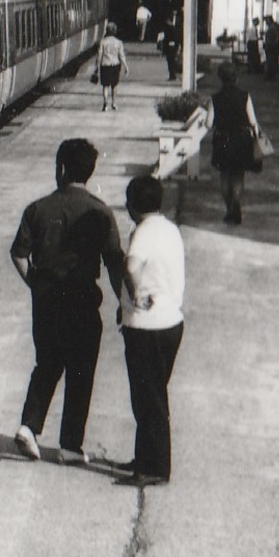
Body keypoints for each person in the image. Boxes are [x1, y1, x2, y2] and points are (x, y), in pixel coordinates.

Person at [9, 139, 125, 465]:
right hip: (84, 303)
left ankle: (29, 428)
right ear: (90, 172)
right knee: (81, 372)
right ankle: (70, 446)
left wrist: (34, 281)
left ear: (60, 169)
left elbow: (18, 255)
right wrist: (122, 302)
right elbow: (115, 263)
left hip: (47, 302)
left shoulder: (37, 209)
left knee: (46, 365)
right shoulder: (101, 212)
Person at [112, 174, 186, 488]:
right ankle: (145, 458)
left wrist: (133, 294)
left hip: (146, 327)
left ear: (131, 206)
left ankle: (154, 468)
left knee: (147, 399)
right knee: (153, 395)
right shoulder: (170, 230)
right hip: (171, 323)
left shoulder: (141, 232)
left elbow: (130, 267)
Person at [207, 61, 262, 225]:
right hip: (242, 139)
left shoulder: (214, 98)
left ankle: (229, 209)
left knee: (224, 175)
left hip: (223, 139)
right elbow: (253, 121)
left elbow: (209, 123)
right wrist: (257, 135)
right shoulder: (245, 96)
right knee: (238, 175)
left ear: (220, 78)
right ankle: (236, 203)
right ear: (236, 77)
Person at [96, 22, 127, 111]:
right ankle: (114, 103)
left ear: (107, 31)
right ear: (115, 31)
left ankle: (105, 104)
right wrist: (126, 66)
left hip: (105, 65)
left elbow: (99, 54)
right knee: (115, 85)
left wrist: (97, 66)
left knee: (105, 86)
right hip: (115, 65)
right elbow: (121, 55)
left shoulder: (103, 41)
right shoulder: (119, 42)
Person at [159, 13, 181, 82]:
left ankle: (172, 75)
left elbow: (168, 38)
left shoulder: (169, 28)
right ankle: (172, 75)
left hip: (170, 47)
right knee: (171, 61)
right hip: (172, 47)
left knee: (171, 62)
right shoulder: (171, 28)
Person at [263, 15, 279, 80]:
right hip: (271, 46)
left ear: (269, 21)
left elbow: (276, 37)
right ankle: (271, 75)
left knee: (271, 61)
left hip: (271, 47)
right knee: (272, 61)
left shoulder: (273, 27)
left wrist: (272, 44)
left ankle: (271, 76)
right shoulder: (274, 26)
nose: (266, 23)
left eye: (266, 21)